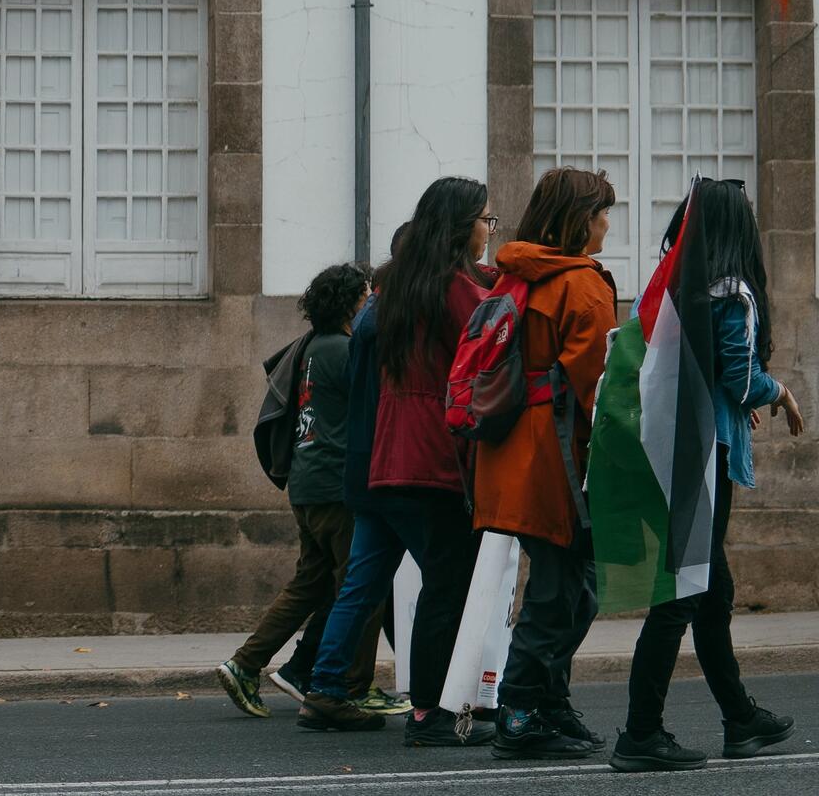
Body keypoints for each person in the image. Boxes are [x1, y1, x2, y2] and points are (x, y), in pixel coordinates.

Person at [607, 178, 803, 771]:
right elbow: (739, 380)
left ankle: (740, 719)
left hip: (676, 449)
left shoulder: (680, 283)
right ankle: (639, 734)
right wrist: (781, 392)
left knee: (712, 594)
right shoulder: (732, 290)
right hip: (705, 455)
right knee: (685, 594)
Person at [298, 179, 496, 747]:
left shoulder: (397, 287)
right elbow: (492, 343)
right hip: (430, 457)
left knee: (365, 582)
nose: (489, 230)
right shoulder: (454, 286)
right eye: (486, 219)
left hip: (385, 458)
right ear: (462, 225)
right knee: (447, 583)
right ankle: (430, 712)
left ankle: (330, 685)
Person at [217, 264, 406, 719]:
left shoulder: (310, 348)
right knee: (362, 588)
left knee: (311, 584)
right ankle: (352, 686)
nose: (369, 304)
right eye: (365, 297)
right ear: (349, 303)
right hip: (338, 487)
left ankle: (245, 664)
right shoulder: (344, 350)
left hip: (306, 484)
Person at [473, 167, 617, 760]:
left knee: (568, 586)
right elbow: (602, 387)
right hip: (557, 457)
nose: (609, 223)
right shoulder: (581, 284)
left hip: (511, 453)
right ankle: (521, 707)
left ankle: (548, 702)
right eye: (604, 212)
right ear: (580, 220)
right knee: (563, 592)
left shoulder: (518, 273)